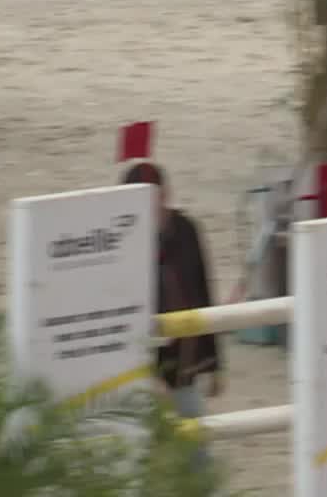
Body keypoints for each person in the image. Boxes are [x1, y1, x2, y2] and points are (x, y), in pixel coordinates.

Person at [122, 161, 222, 455]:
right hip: (144, 373)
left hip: (185, 367)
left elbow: (203, 291)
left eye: (156, 196)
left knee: (197, 455)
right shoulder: (122, 243)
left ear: (166, 194)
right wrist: (146, 376)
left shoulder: (187, 229)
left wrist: (214, 364)